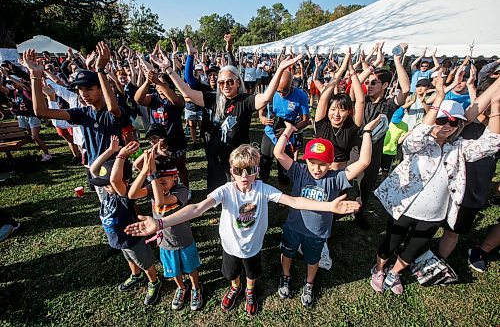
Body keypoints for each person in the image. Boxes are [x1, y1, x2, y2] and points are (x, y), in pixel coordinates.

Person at [125, 144, 361, 316]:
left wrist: (329, 206)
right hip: (230, 246)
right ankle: (235, 289)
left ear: (257, 170)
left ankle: (249, 291)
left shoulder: (263, 189)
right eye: (239, 171)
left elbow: (295, 201)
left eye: (250, 170)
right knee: (231, 274)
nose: (244, 176)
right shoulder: (226, 190)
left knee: (252, 273)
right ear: (231, 170)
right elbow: (196, 208)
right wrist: (161, 223)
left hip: (253, 247)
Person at [371, 72, 500, 295]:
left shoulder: (459, 148)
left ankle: (395, 272)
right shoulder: (421, 143)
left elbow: (492, 143)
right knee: (391, 242)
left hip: (435, 213)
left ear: (460, 125)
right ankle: (379, 268)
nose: (447, 125)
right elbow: (415, 137)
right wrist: (438, 102)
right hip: (406, 206)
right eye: (442, 119)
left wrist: (496, 105)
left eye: (453, 122)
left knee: (414, 247)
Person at [155, 47, 304, 192]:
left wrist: (279, 70)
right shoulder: (213, 98)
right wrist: (169, 69)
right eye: (221, 82)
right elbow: (186, 91)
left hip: (238, 162)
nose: (225, 86)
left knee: (239, 198)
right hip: (216, 160)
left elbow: (265, 98)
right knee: (219, 198)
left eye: (230, 82)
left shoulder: (245, 101)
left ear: (238, 82)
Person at [273, 117, 378, 307]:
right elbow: (278, 152)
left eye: (322, 163)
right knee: (287, 253)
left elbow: (364, 161)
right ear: (306, 161)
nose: (317, 168)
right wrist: (288, 130)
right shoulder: (299, 171)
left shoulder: (336, 178)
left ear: (330, 163)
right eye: (312, 162)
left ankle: (309, 283)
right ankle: (285, 276)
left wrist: (368, 133)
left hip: (317, 233)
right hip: (294, 227)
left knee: (313, 260)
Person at [23, 43, 125, 201]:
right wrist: (35, 76)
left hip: (116, 167)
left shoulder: (112, 112)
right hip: (96, 168)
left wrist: (100, 70)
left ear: (100, 89)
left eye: (89, 89)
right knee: (109, 211)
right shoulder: (82, 113)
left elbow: (112, 108)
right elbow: (42, 112)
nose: (84, 94)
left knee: (125, 207)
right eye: (80, 90)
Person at [128, 147, 202, 311]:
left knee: (190, 269)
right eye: (157, 182)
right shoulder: (154, 186)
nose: (159, 186)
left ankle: (196, 288)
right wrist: (147, 165)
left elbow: (161, 202)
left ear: (175, 177)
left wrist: (153, 175)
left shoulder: (182, 190)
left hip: (183, 240)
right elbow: (132, 194)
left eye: (163, 182)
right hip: (165, 243)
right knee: (174, 271)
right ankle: (182, 288)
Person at [89, 138, 161, 305]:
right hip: (119, 240)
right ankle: (136, 275)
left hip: (133, 239)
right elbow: (94, 170)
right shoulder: (109, 192)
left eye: (107, 184)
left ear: (125, 181)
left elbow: (114, 181)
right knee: (129, 258)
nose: (105, 187)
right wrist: (111, 150)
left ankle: (154, 282)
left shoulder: (124, 195)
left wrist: (121, 155)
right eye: (104, 184)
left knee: (145, 262)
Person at [438, 77, 500, 260]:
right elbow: (475, 111)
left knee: (452, 232)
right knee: (429, 224)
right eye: (488, 102)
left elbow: (493, 138)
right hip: (444, 187)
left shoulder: (496, 133)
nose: (490, 107)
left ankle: (438, 261)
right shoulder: (463, 123)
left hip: (472, 193)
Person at [350, 42, 410, 229]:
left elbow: (406, 90)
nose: (369, 85)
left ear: (385, 85)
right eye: (368, 83)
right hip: (354, 149)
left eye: (374, 82)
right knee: (346, 183)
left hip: (374, 154)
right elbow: (355, 84)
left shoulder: (388, 104)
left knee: (365, 187)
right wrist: (373, 65)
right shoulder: (361, 99)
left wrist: (398, 61)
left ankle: (359, 213)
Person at [133, 69, 188, 187]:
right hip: (158, 142)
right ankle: (166, 191)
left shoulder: (177, 98)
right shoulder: (153, 98)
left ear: (169, 86)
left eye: (163, 84)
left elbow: (175, 101)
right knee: (161, 169)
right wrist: (148, 82)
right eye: (157, 85)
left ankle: (185, 190)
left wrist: (157, 81)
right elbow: (138, 99)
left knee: (180, 168)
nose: (159, 87)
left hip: (175, 140)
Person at [314, 48, 365, 170]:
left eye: (341, 110)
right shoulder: (322, 123)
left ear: (348, 112)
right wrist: (341, 69)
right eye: (333, 109)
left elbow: (360, 101)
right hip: (319, 173)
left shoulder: (351, 127)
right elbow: (323, 98)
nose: (336, 114)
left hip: (340, 175)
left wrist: (351, 70)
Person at [258, 70, 310, 184]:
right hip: (269, 133)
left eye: (285, 91)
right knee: (264, 164)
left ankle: (284, 189)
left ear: (292, 84)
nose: (281, 94)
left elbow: (305, 121)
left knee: (285, 170)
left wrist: (290, 129)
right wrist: (262, 118)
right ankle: (262, 185)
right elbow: (261, 110)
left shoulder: (300, 95)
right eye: (279, 91)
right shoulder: (270, 91)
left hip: (287, 135)